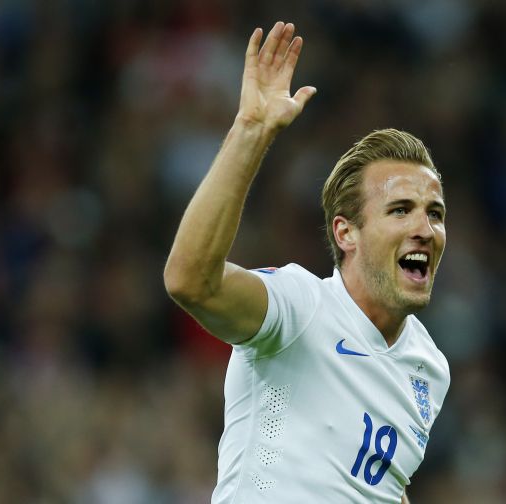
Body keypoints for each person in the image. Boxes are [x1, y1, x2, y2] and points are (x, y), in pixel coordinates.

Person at [164, 21, 449, 503]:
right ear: (346, 234)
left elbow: (377, 486)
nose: (424, 227)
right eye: (400, 210)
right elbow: (190, 280)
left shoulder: (429, 369)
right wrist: (251, 132)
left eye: (434, 213)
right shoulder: (301, 308)